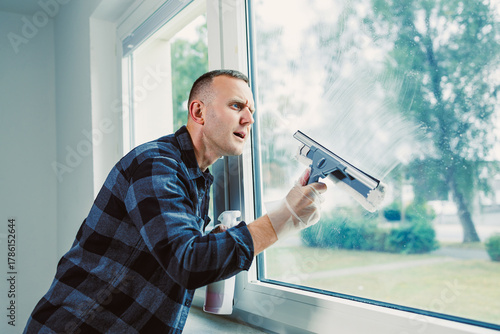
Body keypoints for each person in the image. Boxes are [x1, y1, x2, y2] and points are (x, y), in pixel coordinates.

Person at [24, 69, 327, 333]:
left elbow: (173, 252)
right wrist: (284, 218)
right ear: (198, 112)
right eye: (237, 106)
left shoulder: (194, 178)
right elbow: (187, 262)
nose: (249, 119)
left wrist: (216, 241)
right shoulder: (156, 163)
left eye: (251, 111)